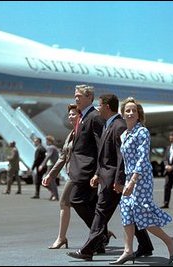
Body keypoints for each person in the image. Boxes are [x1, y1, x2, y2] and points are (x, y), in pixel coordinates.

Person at [67, 94, 153, 261]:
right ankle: (146, 245)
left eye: (100, 105)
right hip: (108, 177)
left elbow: (122, 157)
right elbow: (105, 155)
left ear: (107, 107)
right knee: (132, 213)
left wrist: (119, 180)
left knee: (100, 213)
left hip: (114, 180)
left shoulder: (118, 125)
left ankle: (88, 249)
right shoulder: (109, 124)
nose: (98, 108)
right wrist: (98, 173)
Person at [110, 97, 173, 265]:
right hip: (129, 177)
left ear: (139, 114)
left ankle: (169, 241)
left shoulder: (142, 132)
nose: (130, 113)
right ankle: (128, 250)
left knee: (142, 216)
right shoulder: (124, 135)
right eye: (127, 110)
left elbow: (142, 158)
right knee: (126, 212)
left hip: (141, 178)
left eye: (134, 110)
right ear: (123, 114)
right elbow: (124, 160)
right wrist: (122, 180)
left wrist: (133, 181)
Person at [42, 104, 78, 249]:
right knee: (84, 206)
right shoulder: (71, 134)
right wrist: (51, 174)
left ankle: (61, 238)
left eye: (74, 114)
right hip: (73, 174)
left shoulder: (84, 132)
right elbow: (63, 157)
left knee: (66, 203)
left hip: (81, 174)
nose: (70, 116)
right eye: (69, 114)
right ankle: (103, 233)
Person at [40, 135, 60, 201]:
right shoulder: (54, 147)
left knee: (48, 181)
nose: (46, 142)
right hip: (52, 165)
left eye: (46, 141)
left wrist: (42, 165)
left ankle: (55, 195)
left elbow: (48, 156)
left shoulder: (50, 147)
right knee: (49, 181)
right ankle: (53, 194)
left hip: (51, 165)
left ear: (49, 141)